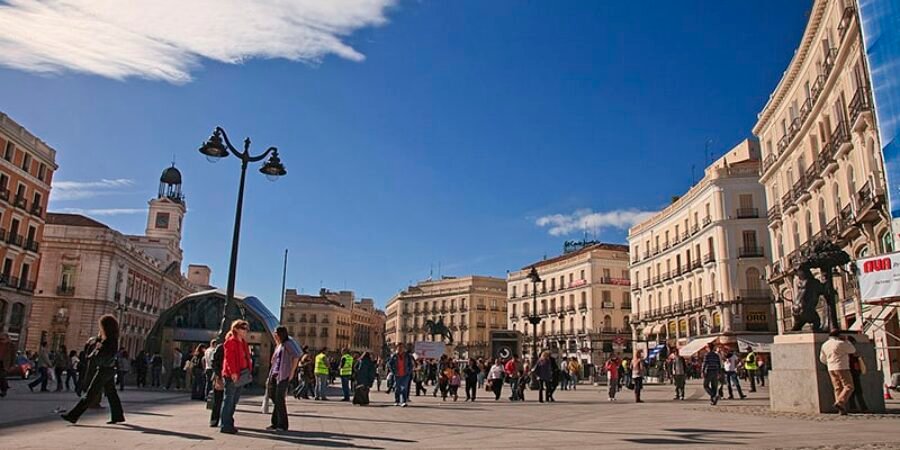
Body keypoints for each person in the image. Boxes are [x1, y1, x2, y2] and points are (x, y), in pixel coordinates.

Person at [61, 315, 125, 424]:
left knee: (90, 394)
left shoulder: (107, 341)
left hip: (104, 369)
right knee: (111, 393)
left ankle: (73, 415)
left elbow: (97, 356)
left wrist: (95, 349)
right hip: (110, 369)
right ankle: (118, 415)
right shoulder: (113, 339)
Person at [220, 319, 252, 434]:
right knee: (229, 399)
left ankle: (229, 421)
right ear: (236, 329)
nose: (246, 331)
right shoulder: (231, 341)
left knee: (234, 400)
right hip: (232, 374)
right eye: (243, 328)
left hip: (242, 373)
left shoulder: (243, 342)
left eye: (247, 329)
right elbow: (229, 359)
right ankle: (225, 424)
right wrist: (233, 372)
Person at [268, 326, 301, 431]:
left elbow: (296, 356)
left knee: (279, 399)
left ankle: (282, 424)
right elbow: (274, 360)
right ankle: (275, 422)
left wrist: (292, 372)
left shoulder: (288, 344)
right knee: (274, 397)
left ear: (280, 334)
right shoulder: (279, 345)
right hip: (274, 374)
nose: (274, 335)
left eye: (275, 333)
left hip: (283, 375)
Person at [819, 330, 856, 415]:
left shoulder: (825, 344)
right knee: (849, 386)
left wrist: (829, 363)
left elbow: (822, 358)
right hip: (842, 366)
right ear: (838, 336)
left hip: (830, 368)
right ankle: (840, 402)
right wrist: (846, 340)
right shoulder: (840, 343)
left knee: (837, 387)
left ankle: (841, 409)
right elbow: (852, 350)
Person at [387, 342, 414, 407]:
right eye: (399, 348)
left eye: (401, 347)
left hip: (405, 374)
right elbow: (389, 364)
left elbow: (411, 364)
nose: (400, 349)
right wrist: (393, 371)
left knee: (404, 388)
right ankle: (397, 401)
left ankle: (404, 401)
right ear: (397, 348)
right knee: (397, 388)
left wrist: (409, 371)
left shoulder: (407, 356)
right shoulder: (394, 356)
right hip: (397, 374)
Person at [846, 336, 868, 413]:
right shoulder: (850, 352)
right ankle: (862, 407)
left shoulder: (850, 352)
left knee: (855, 390)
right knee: (857, 390)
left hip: (852, 371)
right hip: (852, 371)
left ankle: (855, 407)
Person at [208, 339, 225, 428]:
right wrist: (218, 376)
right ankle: (214, 420)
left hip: (228, 377)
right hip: (219, 377)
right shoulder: (221, 348)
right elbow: (214, 363)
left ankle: (225, 420)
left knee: (226, 401)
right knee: (218, 400)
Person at [0, 332, 14, 397]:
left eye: (3, 339)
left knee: (2, 377)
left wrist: (12, 365)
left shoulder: (11, 345)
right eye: (0, 339)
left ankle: (4, 390)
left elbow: (13, 356)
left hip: (5, 363)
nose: (1, 340)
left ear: (7, 339)